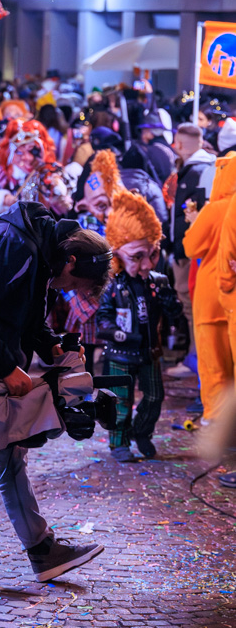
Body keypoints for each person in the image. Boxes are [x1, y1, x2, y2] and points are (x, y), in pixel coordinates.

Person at [0, 204, 111, 592]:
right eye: (72, 284)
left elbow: (23, 315)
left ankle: (42, 550)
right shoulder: (17, 245)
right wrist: (5, 366)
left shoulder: (39, 247)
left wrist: (50, 346)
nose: (66, 290)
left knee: (12, 456)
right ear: (70, 261)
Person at [97, 190, 183, 462]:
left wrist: (171, 303)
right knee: (119, 402)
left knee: (155, 397)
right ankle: (118, 442)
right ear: (118, 252)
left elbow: (175, 314)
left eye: (153, 254)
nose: (147, 264)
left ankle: (141, 431)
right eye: (137, 257)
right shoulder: (112, 284)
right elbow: (102, 319)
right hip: (120, 354)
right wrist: (121, 334)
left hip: (150, 352)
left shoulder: (158, 281)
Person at [184, 155, 236, 425]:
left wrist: (194, 221)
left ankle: (216, 419)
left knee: (213, 363)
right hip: (232, 296)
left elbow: (191, 247)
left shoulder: (214, 209)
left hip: (209, 297)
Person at [167, 123, 214, 379]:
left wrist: (181, 249)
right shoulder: (205, 167)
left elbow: (190, 217)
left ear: (181, 144)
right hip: (194, 250)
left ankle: (196, 360)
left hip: (191, 252)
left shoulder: (196, 171)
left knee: (192, 306)